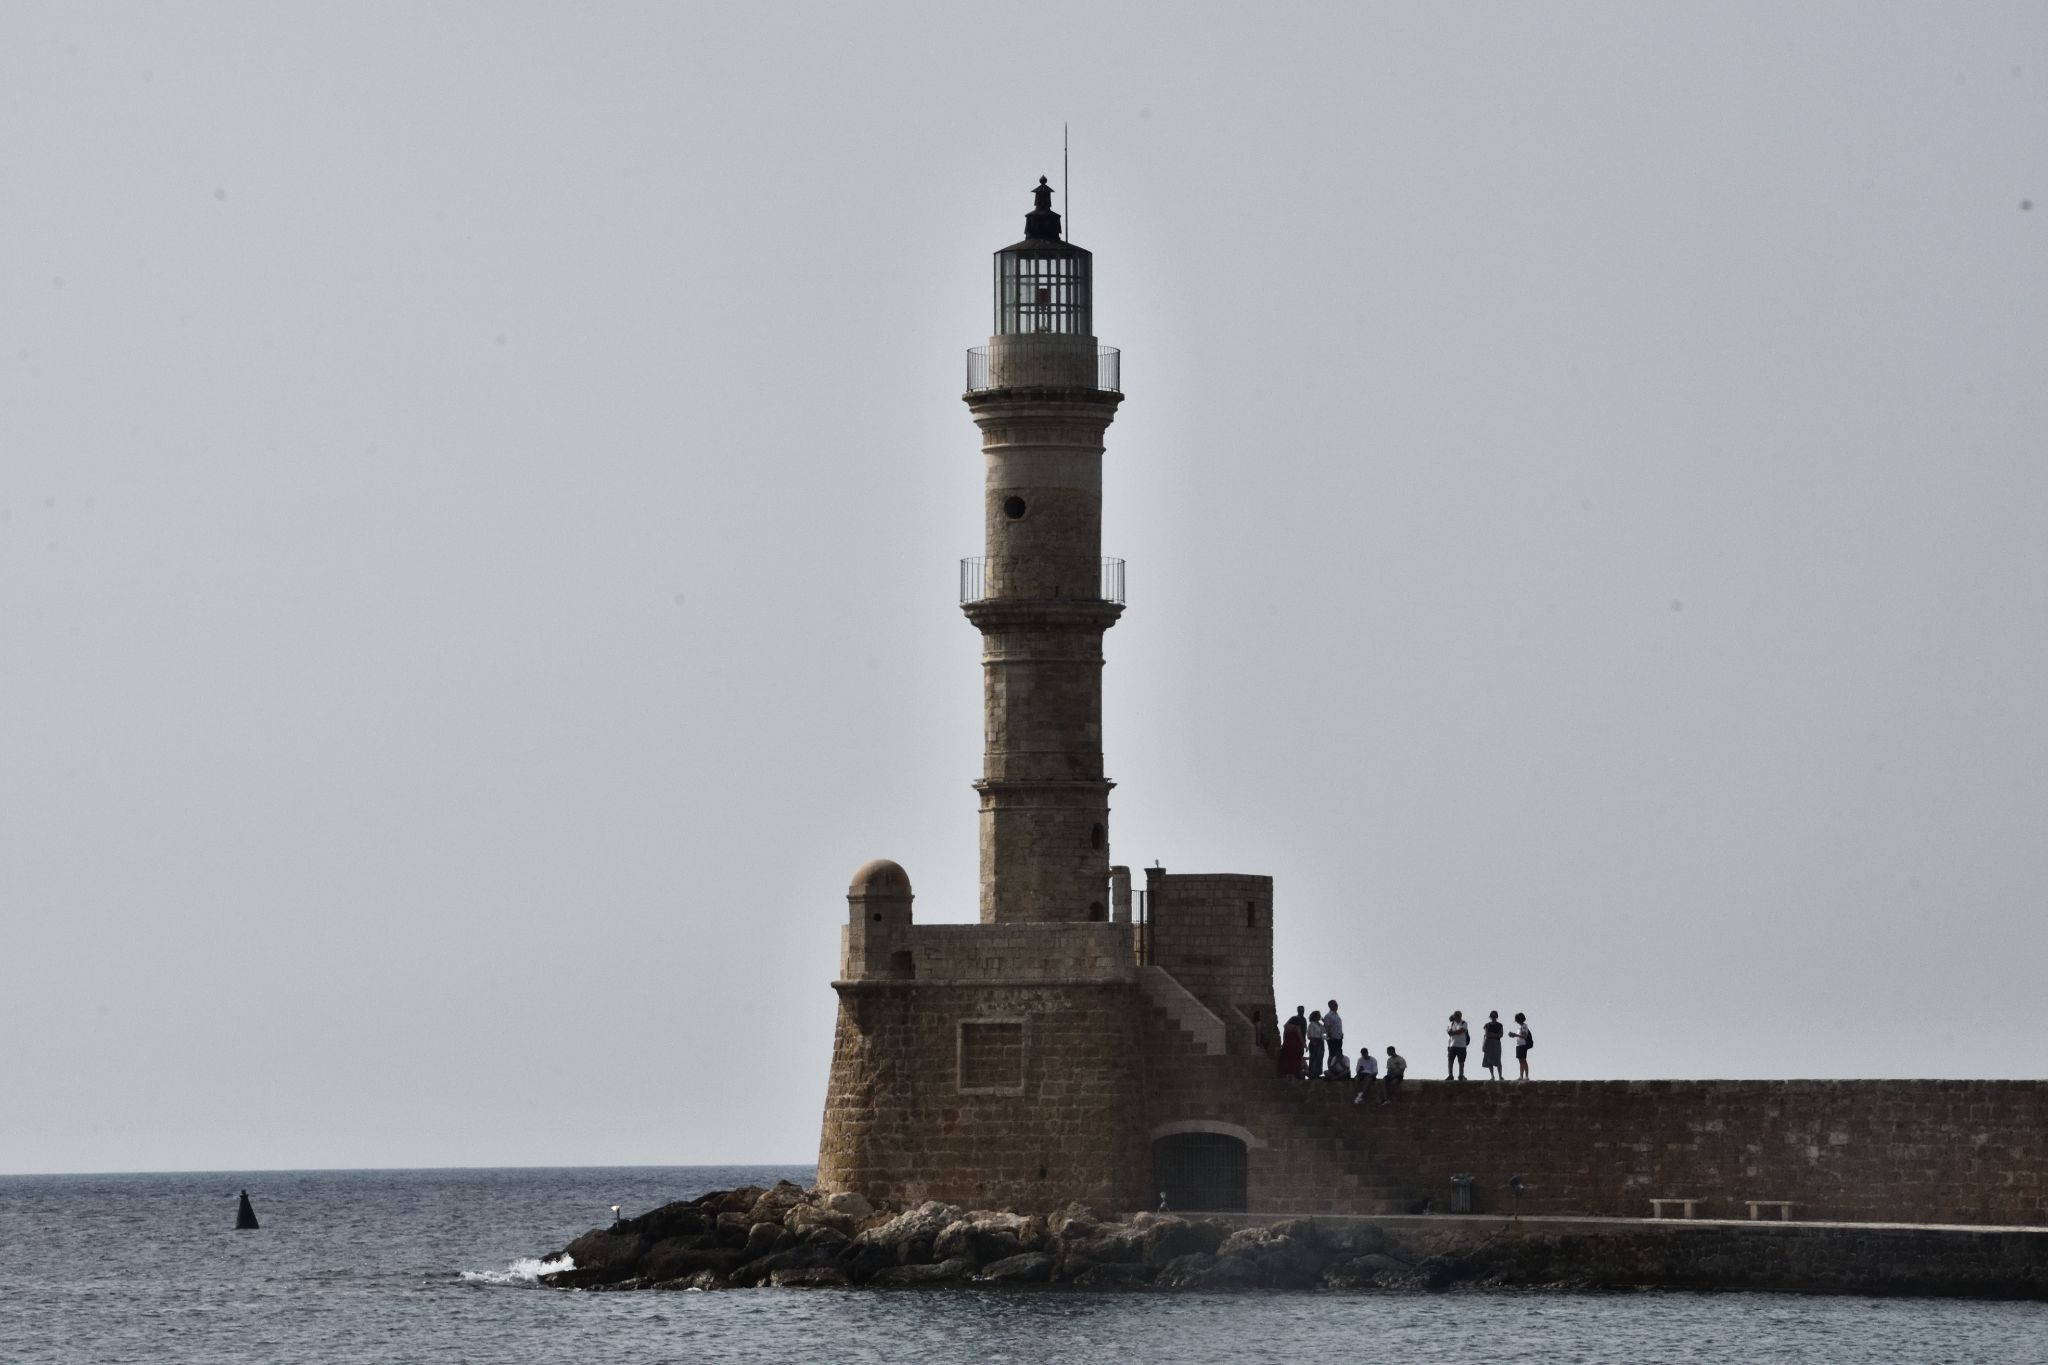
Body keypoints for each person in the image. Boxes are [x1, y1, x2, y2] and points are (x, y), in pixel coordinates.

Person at [1278, 1010, 1305, 1078]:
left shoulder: (1286, 1027)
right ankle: (1293, 1075)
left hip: (1287, 1045)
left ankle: (1286, 1075)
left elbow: (1284, 1036)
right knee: (1294, 1060)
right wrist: (1304, 1044)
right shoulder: (1297, 1027)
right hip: (1295, 1046)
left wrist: (1284, 1043)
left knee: (1287, 1059)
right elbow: (1300, 1036)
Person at [1446, 1010, 1471, 1081]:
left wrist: (1453, 1032)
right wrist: (1455, 1032)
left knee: (1461, 1061)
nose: (1456, 1017)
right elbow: (1449, 1032)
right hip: (1452, 1045)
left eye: (1457, 1016)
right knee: (1450, 1060)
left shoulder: (1464, 1023)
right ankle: (1450, 1075)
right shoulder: (1451, 1024)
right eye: (1455, 1016)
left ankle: (1461, 1075)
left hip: (1461, 1045)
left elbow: (1462, 1030)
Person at [1481, 1010, 1505, 1080]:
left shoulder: (1500, 1025)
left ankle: (1500, 1076)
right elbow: (1487, 1035)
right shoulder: (1487, 1025)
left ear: (1496, 1017)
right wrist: (1495, 1035)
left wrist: (1492, 1034)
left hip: (1496, 1043)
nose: (1493, 1018)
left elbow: (1501, 1035)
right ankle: (1492, 1076)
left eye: (1494, 1016)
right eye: (1492, 1016)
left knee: (1498, 1059)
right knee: (1489, 1060)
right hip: (1488, 1043)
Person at [1306, 1009, 1327, 1079]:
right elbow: (1309, 1035)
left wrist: (1324, 1022)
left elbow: (1325, 1031)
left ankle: (1317, 1073)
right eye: (1318, 1015)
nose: (1319, 1016)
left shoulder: (1320, 1025)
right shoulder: (1312, 1024)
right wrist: (1313, 1042)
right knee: (1314, 1058)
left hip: (1321, 1042)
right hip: (1314, 1041)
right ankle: (1312, 1074)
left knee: (1320, 1058)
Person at [1513, 1012, 1534, 1080]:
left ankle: (1526, 1076)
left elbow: (1524, 1036)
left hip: (1523, 1045)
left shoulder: (1524, 1026)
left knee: (1523, 1060)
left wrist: (1515, 1035)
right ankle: (1521, 1076)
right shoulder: (1520, 1027)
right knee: (1520, 1061)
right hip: (1519, 1045)